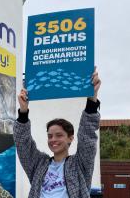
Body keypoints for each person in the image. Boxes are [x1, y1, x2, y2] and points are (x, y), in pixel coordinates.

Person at [13, 68, 101, 198]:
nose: (53, 139)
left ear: (70, 138)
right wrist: (23, 111)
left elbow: (87, 135)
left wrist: (92, 99)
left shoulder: (80, 164)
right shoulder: (39, 164)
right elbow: (23, 144)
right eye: (50, 136)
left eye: (59, 135)